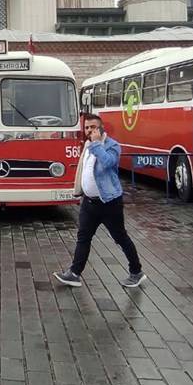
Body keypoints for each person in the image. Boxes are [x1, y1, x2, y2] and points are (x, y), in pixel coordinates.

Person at [54, 114, 144, 288]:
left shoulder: (112, 146)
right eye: (87, 128)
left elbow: (109, 162)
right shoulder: (87, 145)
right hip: (89, 203)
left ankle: (136, 271)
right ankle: (74, 273)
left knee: (120, 237)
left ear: (101, 128)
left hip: (109, 203)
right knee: (83, 237)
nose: (89, 131)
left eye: (93, 127)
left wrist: (95, 144)